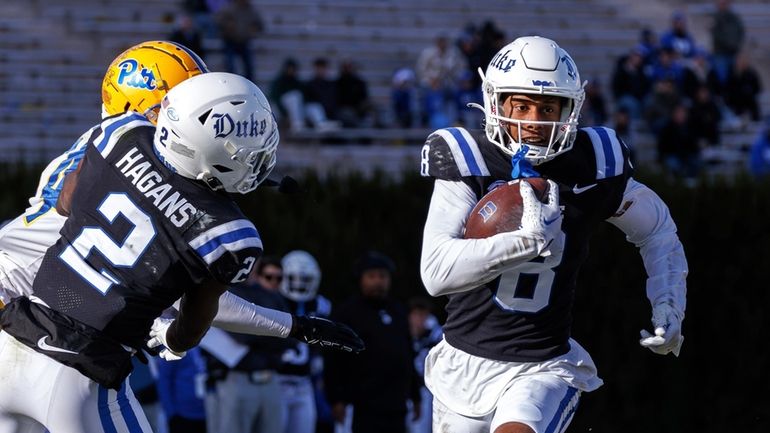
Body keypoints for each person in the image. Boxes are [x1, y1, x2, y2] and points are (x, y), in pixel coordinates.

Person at [419, 36, 687, 433]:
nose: (533, 120)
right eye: (521, 105)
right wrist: (525, 241)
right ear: (496, 103)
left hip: (543, 365)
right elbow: (436, 274)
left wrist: (669, 301)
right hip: (464, 361)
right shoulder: (469, 160)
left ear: (570, 108)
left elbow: (658, 229)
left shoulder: (594, 163)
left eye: (547, 107)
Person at [324, 251, 422, 433]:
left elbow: (407, 353)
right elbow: (333, 358)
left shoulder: (398, 311)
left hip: (396, 403)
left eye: (382, 276)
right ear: (361, 279)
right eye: (372, 276)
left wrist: (415, 395)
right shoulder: (346, 313)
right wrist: (336, 399)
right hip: (360, 405)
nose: (378, 281)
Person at [215, 257, 293, 433]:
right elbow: (241, 336)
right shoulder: (227, 291)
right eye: (269, 277)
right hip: (238, 378)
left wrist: (259, 332)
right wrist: (269, 332)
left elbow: (287, 338)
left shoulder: (274, 297)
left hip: (271, 378)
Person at [276, 250, 333, 433]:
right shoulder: (274, 302)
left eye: (304, 279)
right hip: (277, 380)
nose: (299, 284)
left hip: (304, 383)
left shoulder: (321, 305)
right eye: (294, 278)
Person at [214, 0, 264, 81]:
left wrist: (254, 29)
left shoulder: (250, 10)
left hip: (244, 42)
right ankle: (231, 82)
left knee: (249, 67)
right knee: (230, 67)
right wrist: (227, 26)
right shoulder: (229, 8)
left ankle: (249, 86)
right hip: (230, 41)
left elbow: (260, 25)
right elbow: (218, 21)